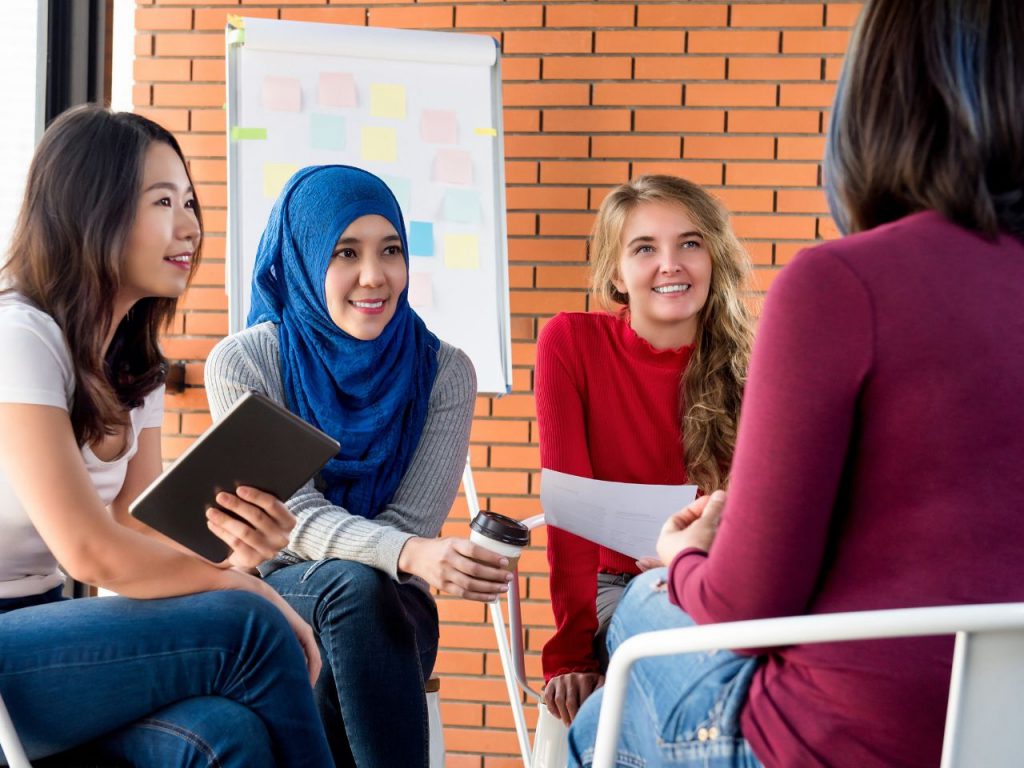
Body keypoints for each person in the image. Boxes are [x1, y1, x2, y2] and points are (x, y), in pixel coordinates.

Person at [567, 0, 1024, 766]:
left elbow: (749, 601)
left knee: (614, 689)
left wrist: (682, 554)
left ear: (879, 95)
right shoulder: (584, 344)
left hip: (849, 738)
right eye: (644, 249)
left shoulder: (840, 286)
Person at [0, 105, 332, 767]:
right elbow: (90, 552)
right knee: (248, 624)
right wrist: (248, 590)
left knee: (224, 734)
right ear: (91, 210)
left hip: (38, 633)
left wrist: (235, 557)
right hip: (14, 660)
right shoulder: (18, 335)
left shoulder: (130, 359)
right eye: (161, 201)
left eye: (189, 201)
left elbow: (133, 523)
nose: (189, 227)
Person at [204, 164, 512, 768]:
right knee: (350, 593)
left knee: (363, 596)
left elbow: (411, 520)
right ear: (303, 255)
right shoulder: (245, 362)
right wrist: (407, 554)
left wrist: (408, 555)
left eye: (391, 251)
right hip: (274, 590)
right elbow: (286, 515)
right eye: (346, 252)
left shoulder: (445, 373)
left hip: (393, 610)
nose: (375, 277)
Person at [535, 175, 755, 725]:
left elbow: (765, 513)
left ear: (714, 257)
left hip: (722, 577)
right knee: (699, 654)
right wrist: (571, 653)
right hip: (620, 587)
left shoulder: (757, 365)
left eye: (689, 243)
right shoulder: (570, 343)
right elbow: (572, 517)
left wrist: (695, 555)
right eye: (644, 248)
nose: (670, 264)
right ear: (616, 273)